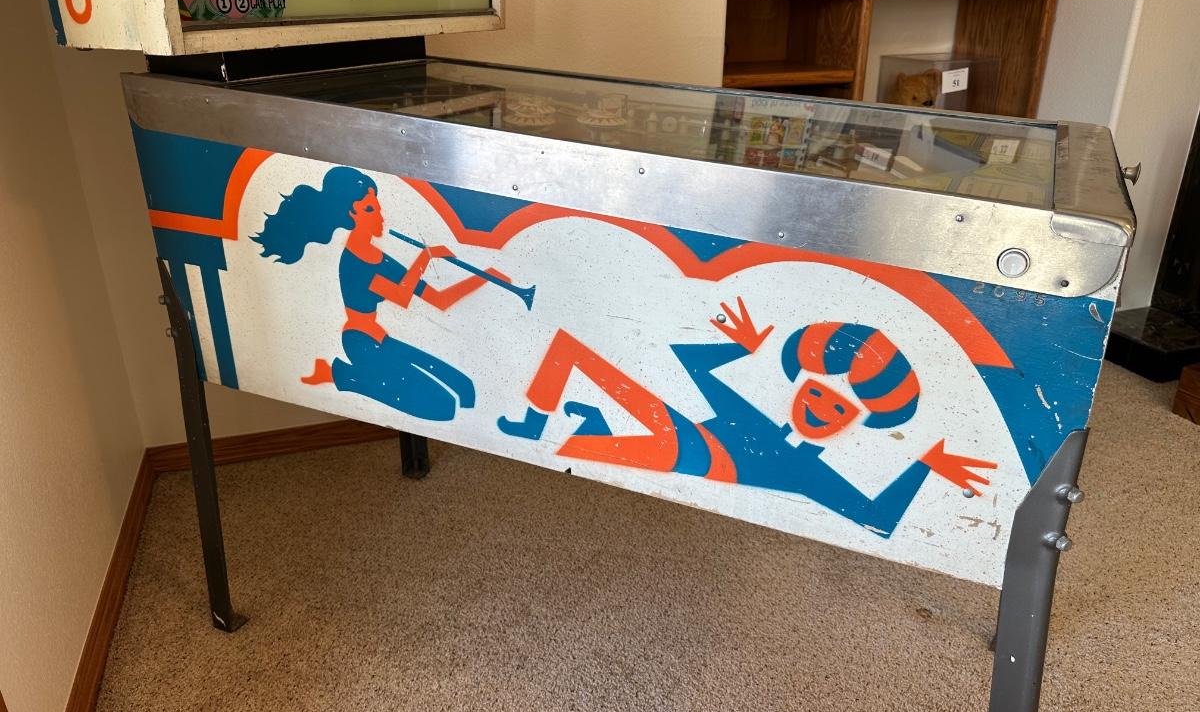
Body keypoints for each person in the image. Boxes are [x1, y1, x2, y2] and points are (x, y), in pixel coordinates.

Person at [498, 297, 995, 537]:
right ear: (800, 382)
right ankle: (539, 422)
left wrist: (924, 465)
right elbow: (691, 365)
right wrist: (742, 347)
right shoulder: (754, 417)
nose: (820, 410)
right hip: (682, 433)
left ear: (856, 421)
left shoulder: (811, 473)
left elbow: (878, 519)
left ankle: (586, 428)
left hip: (682, 453)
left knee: (573, 445)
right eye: (816, 393)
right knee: (572, 352)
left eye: (839, 408)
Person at [253, 166, 499, 421]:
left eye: (377, 208)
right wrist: (425, 257)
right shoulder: (355, 261)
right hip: (361, 343)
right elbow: (402, 297)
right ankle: (341, 374)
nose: (380, 216)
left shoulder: (380, 258)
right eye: (370, 210)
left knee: (464, 388)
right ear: (351, 214)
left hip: (381, 340)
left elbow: (439, 299)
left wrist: (485, 277)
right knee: (443, 408)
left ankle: (342, 374)